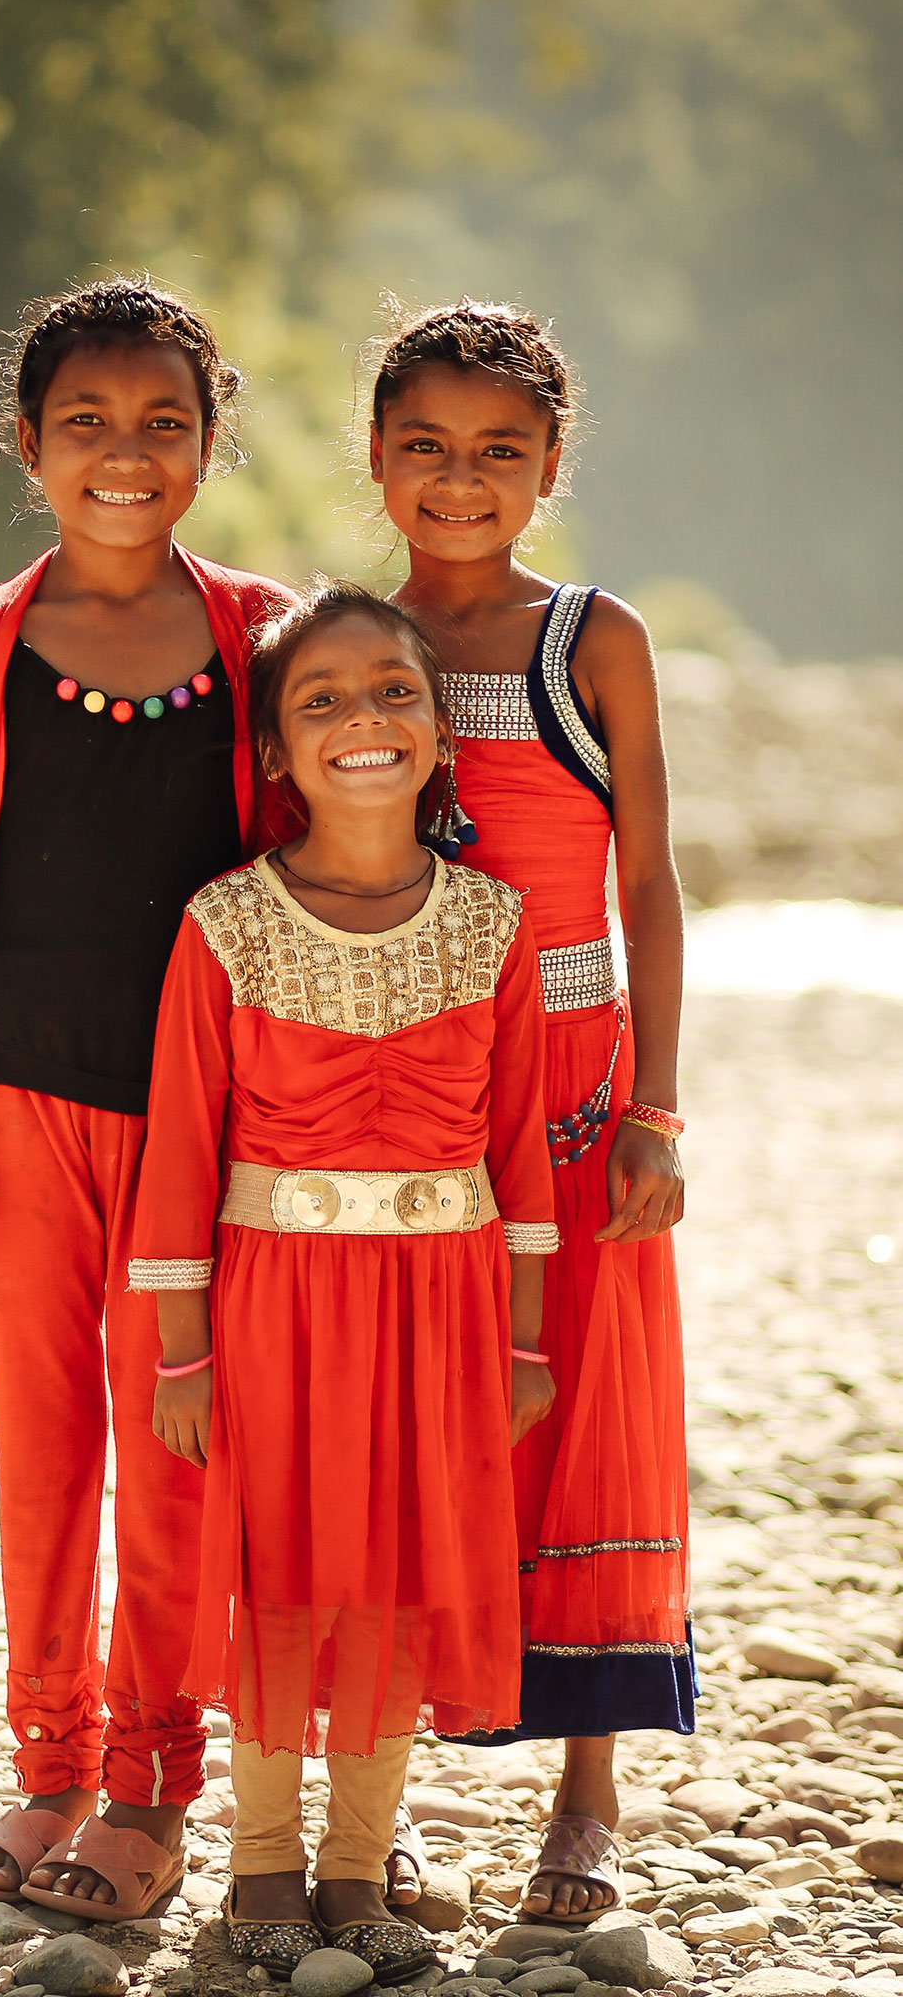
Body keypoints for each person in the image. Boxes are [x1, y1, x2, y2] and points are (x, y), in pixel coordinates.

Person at [0, 277, 296, 1917]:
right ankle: (51, 1764)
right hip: (17, 1107)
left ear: (209, 443)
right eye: (86, 425)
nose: (124, 454)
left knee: (176, 1440)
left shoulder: (264, 634)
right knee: (46, 1442)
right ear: (28, 445)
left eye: (162, 424)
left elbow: (315, 866)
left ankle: (152, 1780)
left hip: (206, 1124)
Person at [126, 583, 560, 1979]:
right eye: (320, 699)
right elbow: (182, 1149)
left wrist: (526, 1342)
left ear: (441, 731)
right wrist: (182, 1355)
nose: (361, 720)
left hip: (440, 1311)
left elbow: (520, 1157)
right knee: (279, 1572)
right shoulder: (225, 925)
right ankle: (261, 1861)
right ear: (271, 751)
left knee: (391, 1574)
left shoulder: (494, 927)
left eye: (393, 693)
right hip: (269, 1306)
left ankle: (359, 1864)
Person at [369, 299, 693, 1924]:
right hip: (406, 1082)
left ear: (551, 467)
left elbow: (648, 882)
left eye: (499, 452)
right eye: (424, 447)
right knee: (401, 1411)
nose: (459, 480)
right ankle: (380, 1789)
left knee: (582, 1401)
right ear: (375, 459)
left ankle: (588, 1793)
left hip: (573, 1084)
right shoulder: (348, 641)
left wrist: (660, 1112)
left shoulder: (595, 642)